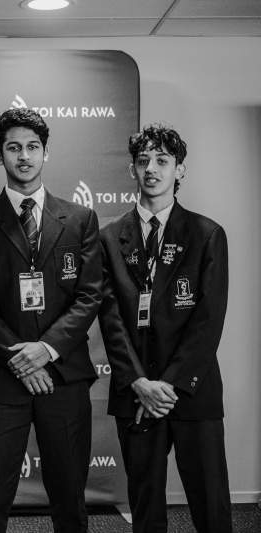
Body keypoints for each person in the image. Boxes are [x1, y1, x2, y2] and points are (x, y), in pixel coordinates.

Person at [0, 108, 102, 533]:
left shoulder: (81, 219)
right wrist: (21, 360)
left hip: (64, 376)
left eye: (33, 147)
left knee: (70, 500)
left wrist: (46, 350)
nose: (24, 156)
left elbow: (89, 295)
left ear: (45, 153)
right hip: (2, 379)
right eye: (14, 148)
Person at [98, 124, 232, 533]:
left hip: (191, 389)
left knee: (211, 507)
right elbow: (110, 320)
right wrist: (140, 382)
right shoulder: (108, 238)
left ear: (180, 169)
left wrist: (168, 385)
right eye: (143, 161)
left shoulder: (207, 234)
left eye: (162, 160)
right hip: (136, 392)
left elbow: (209, 320)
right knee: (146, 508)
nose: (152, 169)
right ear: (132, 170)